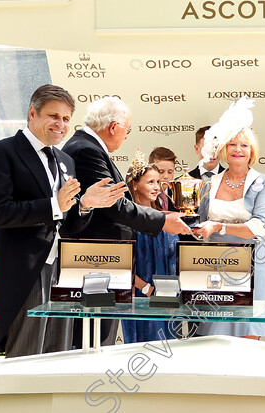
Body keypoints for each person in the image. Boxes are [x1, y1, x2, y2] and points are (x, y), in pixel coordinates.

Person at [0, 84, 127, 357]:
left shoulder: (65, 160)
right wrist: (52, 205)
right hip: (25, 272)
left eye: (66, 119)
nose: (61, 124)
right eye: (53, 116)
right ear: (32, 113)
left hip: (63, 270)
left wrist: (85, 205)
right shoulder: (1, 152)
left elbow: (68, 222)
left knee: (57, 354)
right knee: (25, 355)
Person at [62, 96, 191, 346]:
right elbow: (115, 204)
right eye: (127, 130)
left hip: (102, 262)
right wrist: (162, 221)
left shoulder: (86, 146)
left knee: (100, 338)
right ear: (113, 127)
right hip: (97, 261)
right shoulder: (88, 150)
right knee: (94, 341)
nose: (126, 137)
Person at [191, 99, 265, 339]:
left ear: (253, 151)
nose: (238, 149)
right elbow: (198, 221)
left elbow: (259, 226)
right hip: (214, 266)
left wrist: (218, 226)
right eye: (232, 144)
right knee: (212, 335)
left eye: (244, 145)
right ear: (224, 150)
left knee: (249, 334)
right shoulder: (208, 183)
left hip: (252, 265)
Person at [121, 152, 179, 344]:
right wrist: (145, 288)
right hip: (139, 295)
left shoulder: (166, 217)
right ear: (135, 185)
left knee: (169, 344)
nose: (156, 187)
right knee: (141, 345)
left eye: (157, 182)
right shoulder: (126, 221)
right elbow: (122, 262)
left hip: (166, 296)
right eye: (150, 182)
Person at [149, 146, 177, 211]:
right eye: (161, 172)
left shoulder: (178, 193)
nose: (166, 176)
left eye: (170, 172)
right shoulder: (145, 195)